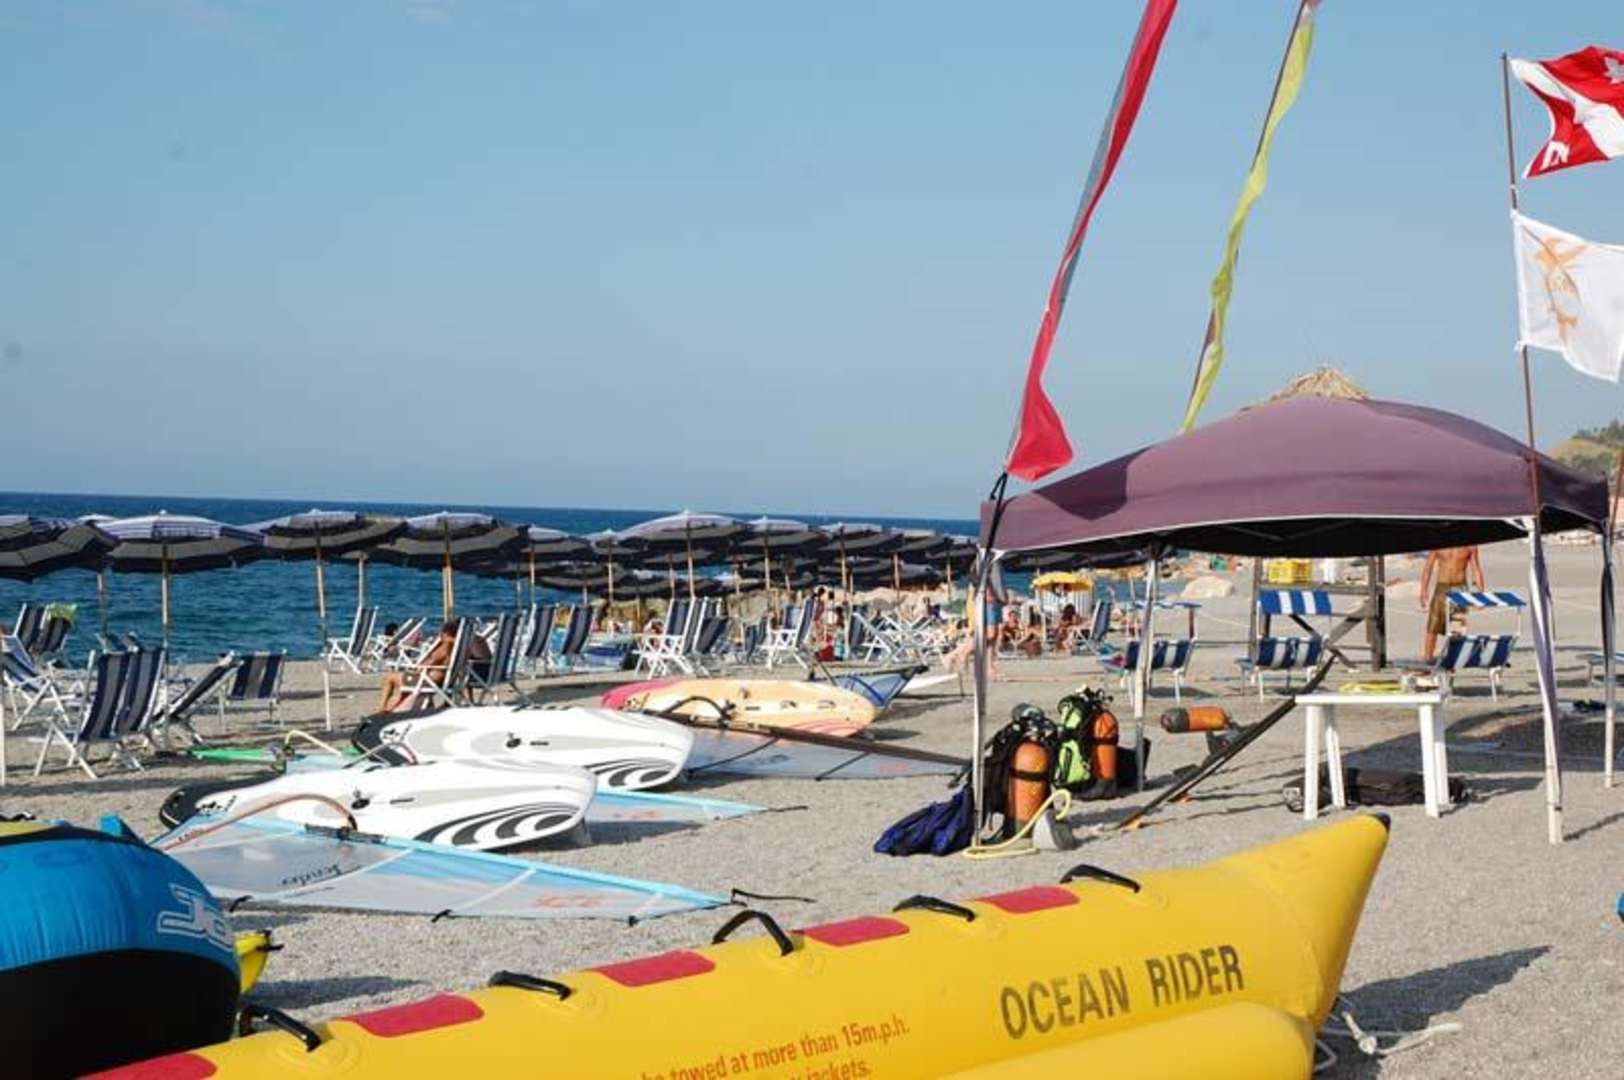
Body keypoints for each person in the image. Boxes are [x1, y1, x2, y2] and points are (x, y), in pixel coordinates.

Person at [1419, 546, 1485, 661]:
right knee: (1433, 626)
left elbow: (1476, 570)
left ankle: (1453, 658)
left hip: (1459, 588)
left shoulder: (1470, 546)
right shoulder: (1438, 544)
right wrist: (1423, 591)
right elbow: (1428, 568)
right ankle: (1428, 658)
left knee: (1457, 627)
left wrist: (1480, 594)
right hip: (1441, 587)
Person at [377, 619, 459, 712]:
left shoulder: (444, 648)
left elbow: (425, 665)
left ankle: (382, 708)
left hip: (427, 681)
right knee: (401, 678)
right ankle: (401, 706)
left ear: (445, 633)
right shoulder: (456, 647)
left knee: (389, 678)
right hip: (439, 680)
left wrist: (417, 665)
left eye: (441, 632)